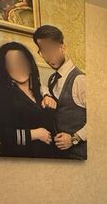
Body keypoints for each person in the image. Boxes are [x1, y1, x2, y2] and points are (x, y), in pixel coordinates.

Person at [0, 42, 55, 158]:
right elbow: (0, 133)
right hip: (17, 160)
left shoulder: (39, 90)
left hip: (46, 159)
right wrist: (35, 134)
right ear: (5, 69)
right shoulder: (0, 93)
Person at [33, 24, 87, 160]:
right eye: (43, 50)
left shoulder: (80, 79)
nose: (48, 55)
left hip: (78, 156)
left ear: (62, 47)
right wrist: (46, 94)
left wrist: (75, 138)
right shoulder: (53, 78)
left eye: (51, 48)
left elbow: (99, 119)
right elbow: (42, 87)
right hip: (59, 156)